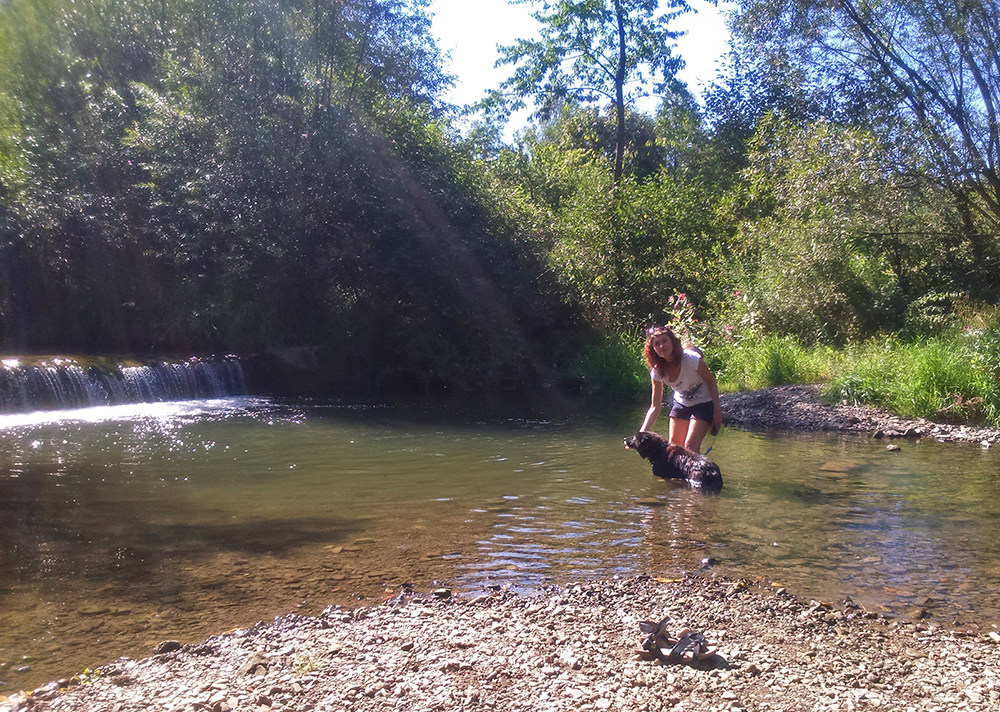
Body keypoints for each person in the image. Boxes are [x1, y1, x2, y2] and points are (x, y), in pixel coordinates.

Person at [639, 325, 722, 454]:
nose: (661, 346)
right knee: (674, 447)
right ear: (653, 349)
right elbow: (655, 406)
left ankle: (697, 468)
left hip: (704, 402)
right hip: (682, 403)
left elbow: (711, 381)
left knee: (690, 446)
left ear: (672, 341)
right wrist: (641, 433)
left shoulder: (692, 359)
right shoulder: (657, 371)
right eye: (657, 344)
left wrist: (717, 412)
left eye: (664, 341)